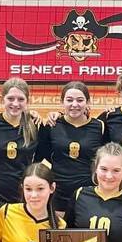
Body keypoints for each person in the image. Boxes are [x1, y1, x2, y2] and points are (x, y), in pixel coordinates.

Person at [36, 81, 105, 215]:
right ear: (62, 102)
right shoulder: (52, 125)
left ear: (88, 102)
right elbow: (42, 155)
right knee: (59, 233)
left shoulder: (100, 127)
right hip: (59, 193)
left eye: (80, 100)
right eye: (69, 100)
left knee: (86, 234)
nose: (74, 104)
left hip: (89, 192)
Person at [0, 78, 41, 213]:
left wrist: (57, 114)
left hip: (26, 192)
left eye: (21, 99)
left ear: (28, 101)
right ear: (2, 99)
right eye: (10, 98)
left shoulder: (36, 125)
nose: (15, 103)